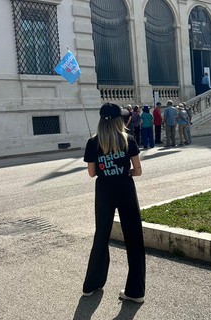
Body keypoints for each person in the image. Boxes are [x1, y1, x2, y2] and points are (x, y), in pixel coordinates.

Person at [82, 102, 145, 304]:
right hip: (125, 187)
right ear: (119, 120)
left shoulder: (93, 142)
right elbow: (138, 170)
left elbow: (92, 173)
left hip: (104, 189)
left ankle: (92, 285)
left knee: (101, 234)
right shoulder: (129, 139)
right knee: (134, 236)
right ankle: (136, 292)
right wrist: (124, 171)